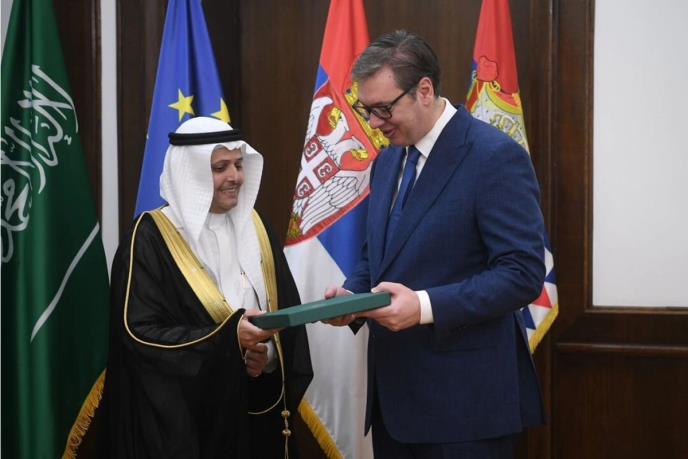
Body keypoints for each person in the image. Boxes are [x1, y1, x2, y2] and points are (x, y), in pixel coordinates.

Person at [325, 30, 546, 458]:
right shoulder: (388, 159)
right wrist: (353, 296)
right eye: (366, 110)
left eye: (384, 109)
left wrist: (424, 307)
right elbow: (379, 256)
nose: (374, 123)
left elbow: (521, 274)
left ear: (424, 90)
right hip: (395, 405)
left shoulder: (493, 156)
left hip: (465, 410)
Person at [99, 116, 313, 458]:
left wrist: (267, 356)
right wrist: (228, 341)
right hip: (184, 424)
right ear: (189, 172)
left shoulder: (255, 227)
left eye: (239, 164)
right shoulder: (151, 236)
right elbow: (138, 334)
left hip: (252, 412)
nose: (235, 177)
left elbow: (284, 311)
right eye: (220, 167)